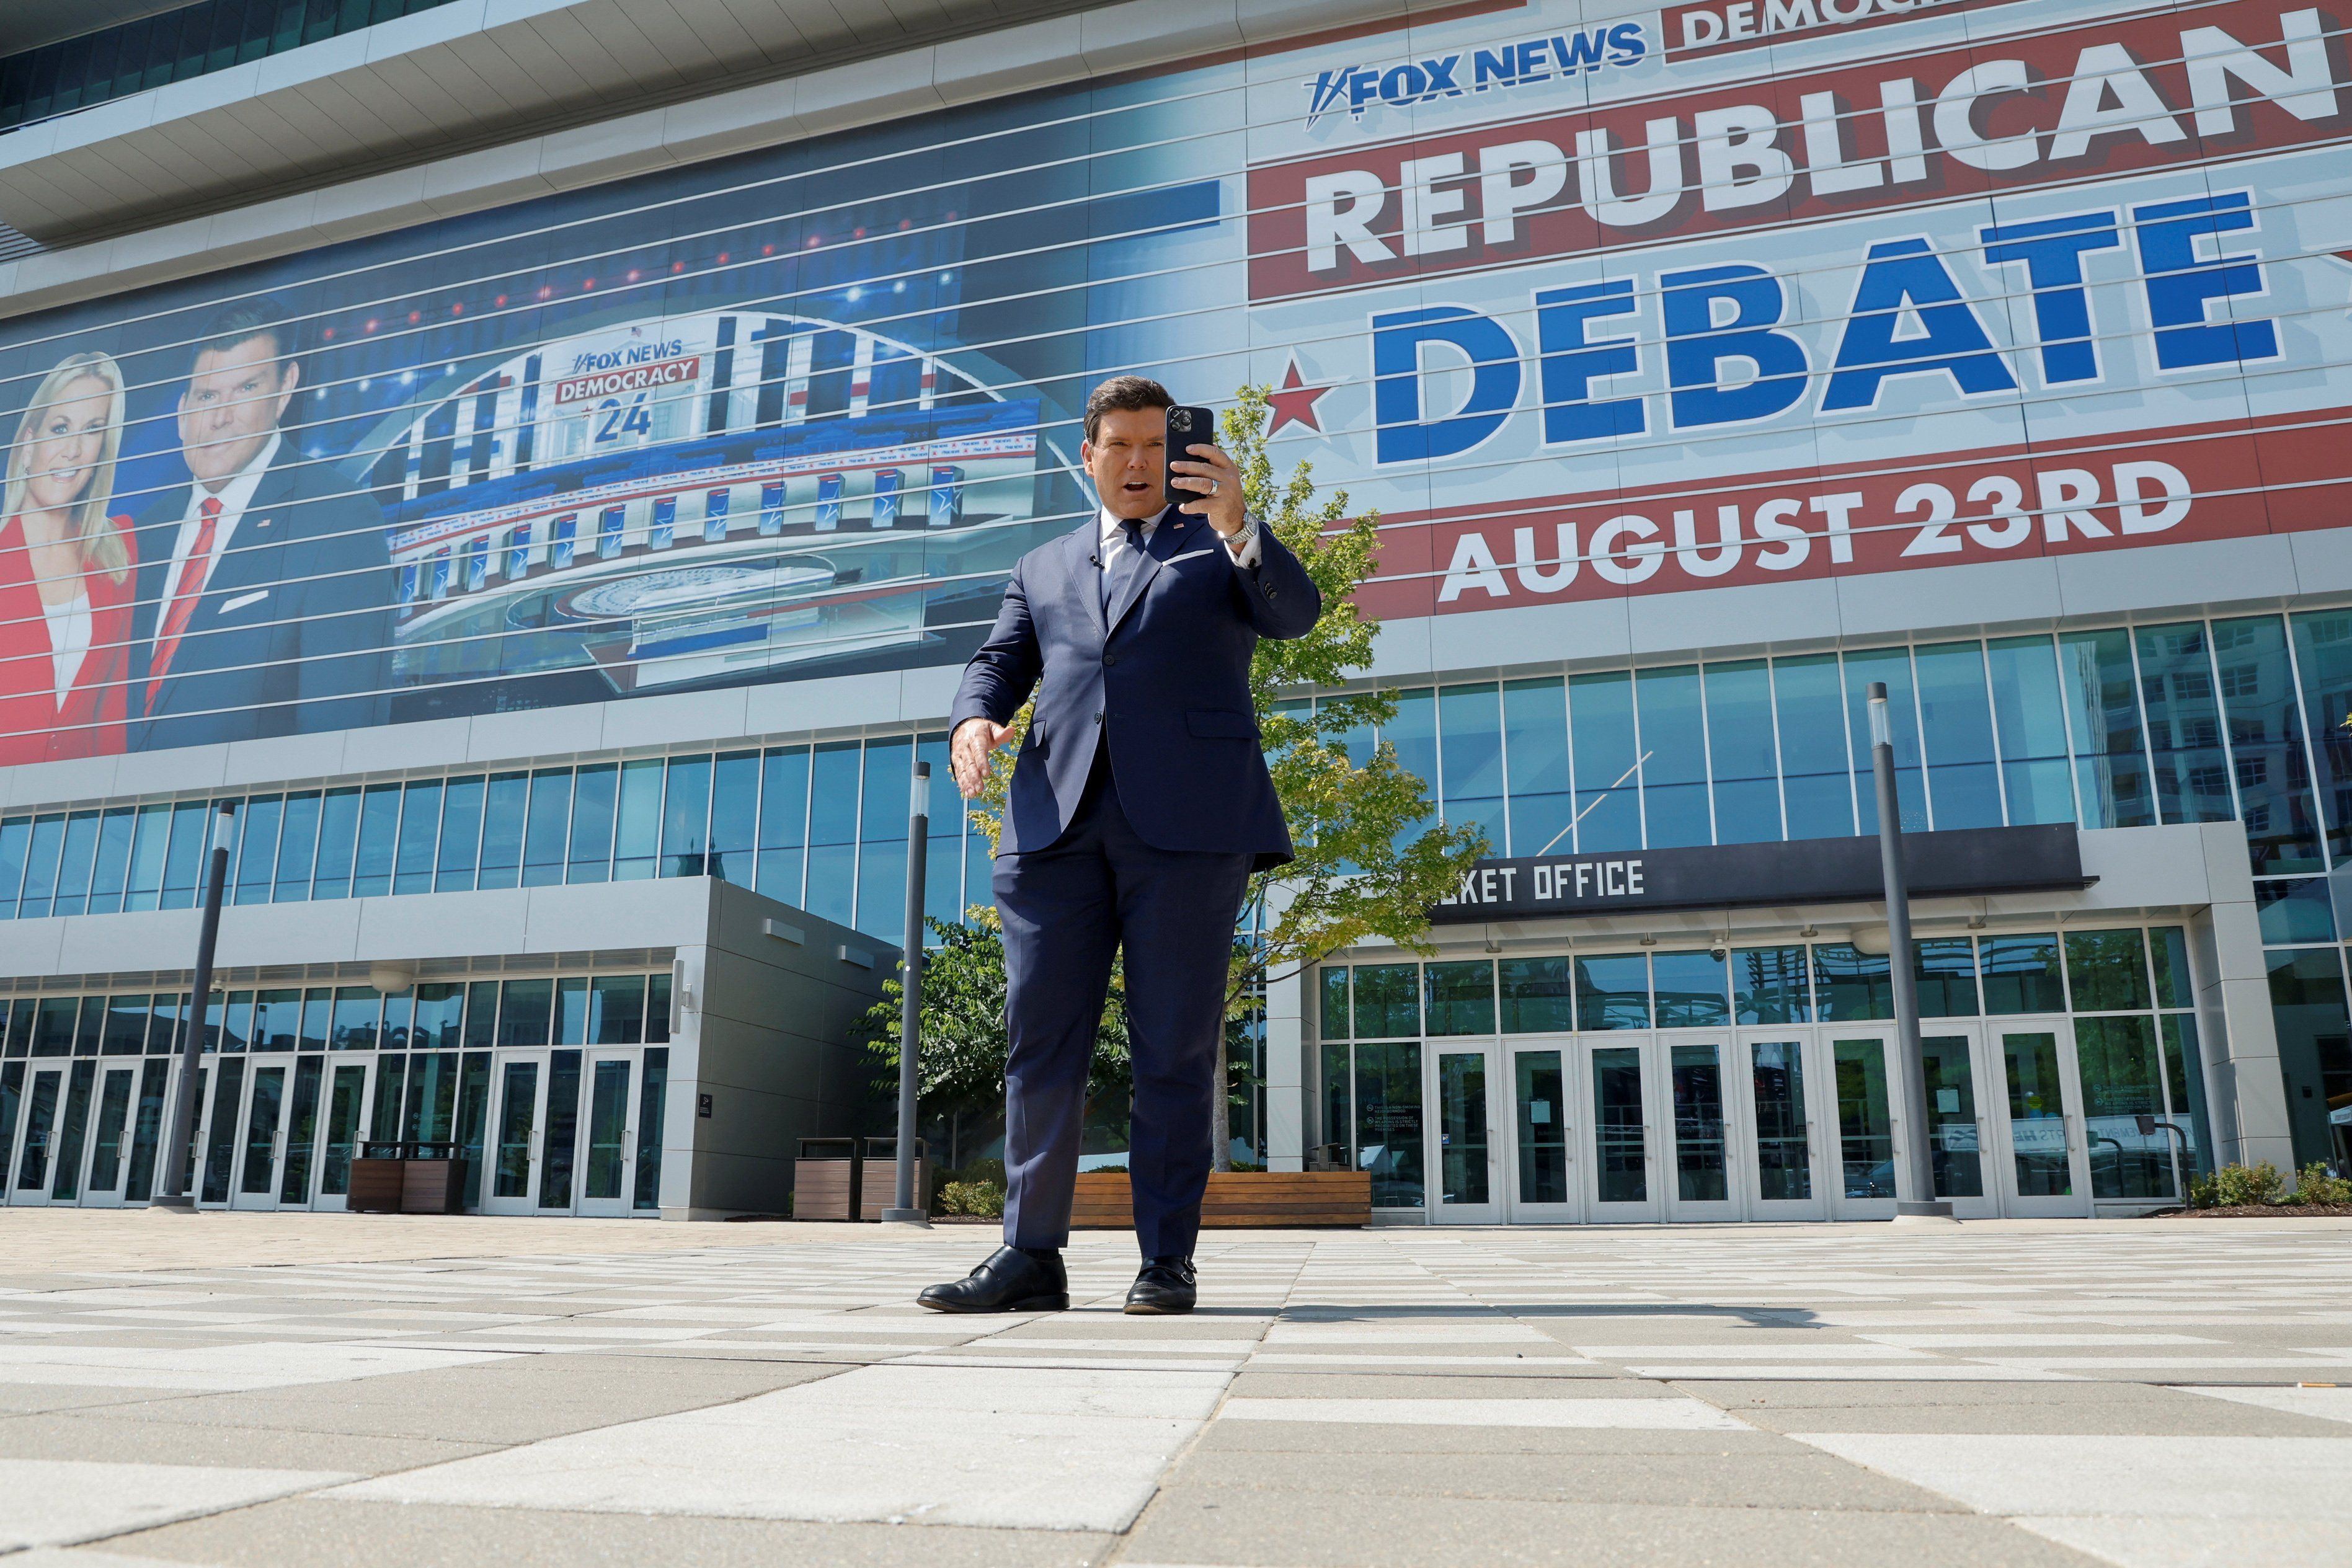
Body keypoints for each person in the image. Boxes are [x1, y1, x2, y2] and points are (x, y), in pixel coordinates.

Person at [920, 376, 1321, 1317]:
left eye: (1155, 444)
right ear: (1090, 455)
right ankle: (1030, 1254)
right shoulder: (1044, 564)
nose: (1140, 462)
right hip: (1051, 829)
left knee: (1171, 1050)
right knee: (1039, 1047)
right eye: (1120, 446)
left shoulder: (1216, 545)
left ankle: (1166, 1260)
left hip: (1188, 831)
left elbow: (1294, 614)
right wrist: (974, 719)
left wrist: (1238, 520)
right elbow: (998, 663)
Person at [131, 302, 391, 751]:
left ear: (284, 388)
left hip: (243, 817)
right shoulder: (141, 535)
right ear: (181, 411)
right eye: (207, 396)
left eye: (245, 390)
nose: (220, 417)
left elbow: (342, 730)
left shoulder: (336, 518)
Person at [0, 351, 136, 766]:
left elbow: (112, 717)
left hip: (77, 820)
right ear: (27, 444)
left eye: (93, 430)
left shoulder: (119, 551)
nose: (74, 450)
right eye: (60, 428)